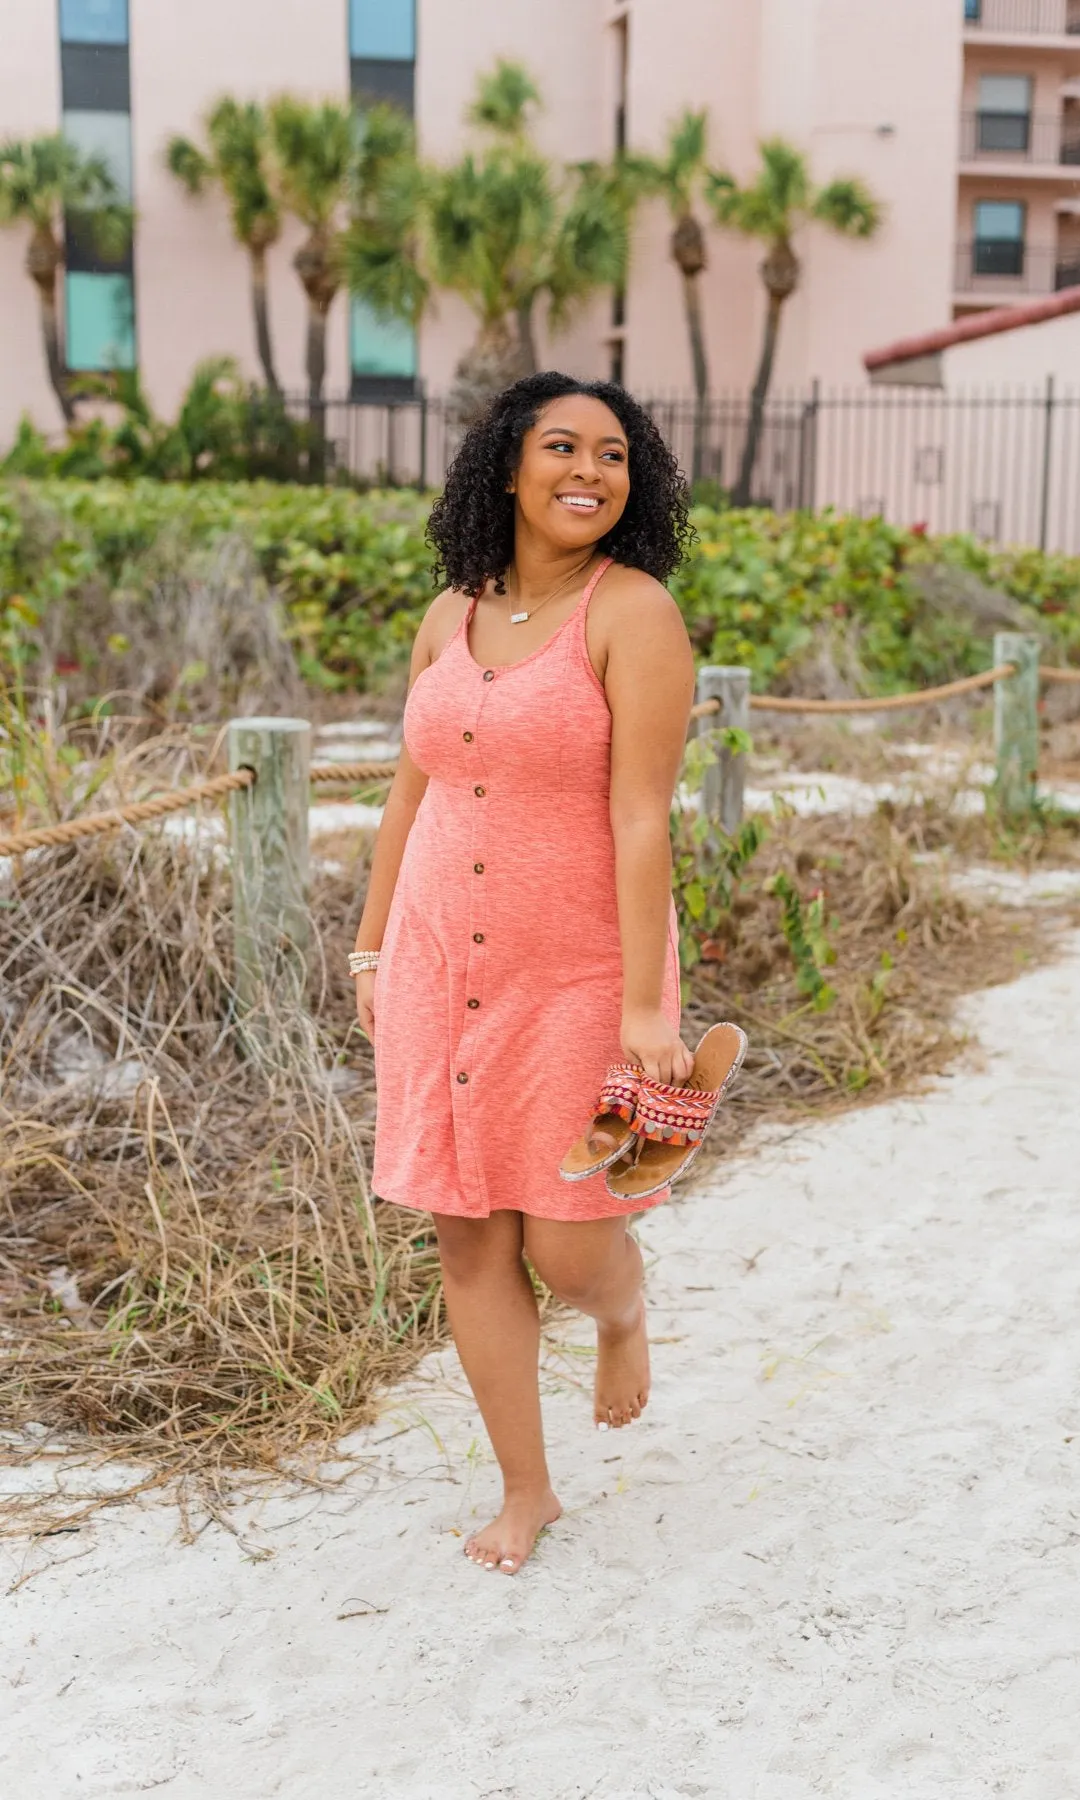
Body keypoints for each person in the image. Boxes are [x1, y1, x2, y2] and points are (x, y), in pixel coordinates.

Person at [352, 372, 697, 1576]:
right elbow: (414, 785)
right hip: (440, 959)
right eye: (562, 447)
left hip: (577, 970)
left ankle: (623, 1313)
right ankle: (527, 1490)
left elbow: (645, 816)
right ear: (508, 465)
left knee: (566, 1239)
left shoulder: (633, 612)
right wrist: (373, 939)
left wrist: (648, 1002)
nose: (588, 472)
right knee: (467, 1238)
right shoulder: (447, 613)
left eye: (613, 456)